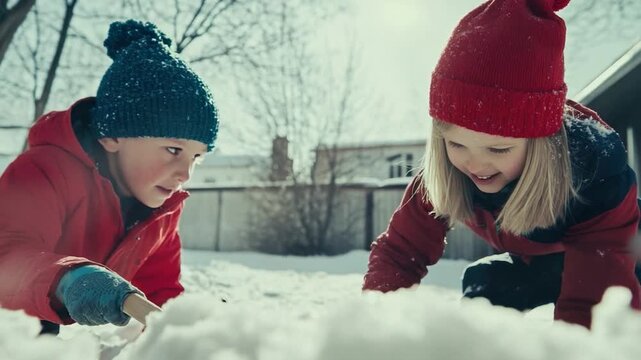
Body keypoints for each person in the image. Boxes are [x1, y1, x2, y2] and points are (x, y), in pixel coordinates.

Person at [363, 0, 641, 329]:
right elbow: (399, 251)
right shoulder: (447, 175)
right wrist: (374, 327)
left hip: (621, 257)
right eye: (456, 144)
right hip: (548, 262)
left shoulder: (596, 175)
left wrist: (574, 347)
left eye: (498, 148)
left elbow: (595, 304)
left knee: (617, 315)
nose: (475, 162)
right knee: (484, 288)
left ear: (540, 143)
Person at [0, 19, 219, 333]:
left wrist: (192, 332)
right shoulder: (42, 171)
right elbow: (6, 257)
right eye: (173, 150)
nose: (185, 173)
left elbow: (160, 294)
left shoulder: (160, 212)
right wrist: (68, 279)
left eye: (197, 157)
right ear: (112, 136)